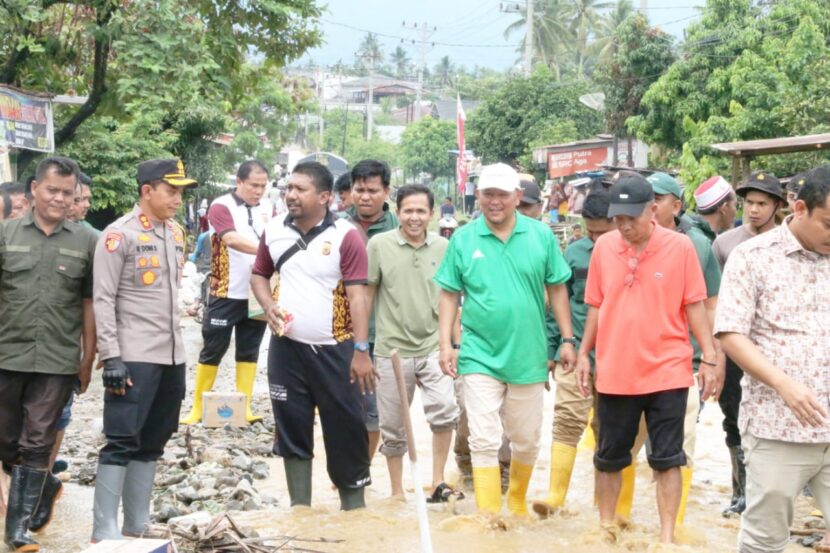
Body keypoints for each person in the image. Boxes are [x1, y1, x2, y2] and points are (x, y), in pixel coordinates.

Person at [574, 172, 721, 544]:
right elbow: (594, 306)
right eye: (617, 218)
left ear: (653, 210)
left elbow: (695, 306)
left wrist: (710, 358)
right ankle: (607, 530)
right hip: (614, 372)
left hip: (668, 371)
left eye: (631, 218)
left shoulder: (681, 247)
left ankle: (667, 539)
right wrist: (583, 356)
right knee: (609, 456)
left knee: (668, 458)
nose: (623, 226)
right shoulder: (605, 248)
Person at [434, 162, 576, 516]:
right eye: (487, 195)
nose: (494, 202)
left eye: (501, 195)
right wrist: (446, 345)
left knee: (526, 441)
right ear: (478, 197)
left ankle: (515, 498)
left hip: (528, 353)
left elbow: (557, 289)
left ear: (517, 197)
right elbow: (449, 294)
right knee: (483, 438)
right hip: (478, 352)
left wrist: (567, 340)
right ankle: (488, 517)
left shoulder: (541, 236)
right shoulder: (464, 239)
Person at [714, 166, 830, 553]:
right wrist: (784, 384)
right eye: (829, 224)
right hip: (779, 427)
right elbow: (730, 332)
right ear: (799, 209)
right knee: (765, 540)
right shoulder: (752, 257)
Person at [251, 161, 373, 510]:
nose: (291, 195)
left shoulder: (346, 236)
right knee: (291, 426)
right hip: (286, 350)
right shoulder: (273, 230)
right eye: (288, 188)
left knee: (347, 429)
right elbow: (260, 274)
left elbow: (358, 296)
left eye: (300, 189)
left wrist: (361, 351)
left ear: (325, 196)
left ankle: (354, 514)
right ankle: (299, 512)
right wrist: (267, 304)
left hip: (337, 352)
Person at [91, 158, 195, 541]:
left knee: (155, 437)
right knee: (122, 438)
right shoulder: (119, 235)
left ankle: (136, 522)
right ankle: (104, 527)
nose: (177, 199)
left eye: (181, 192)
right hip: (133, 353)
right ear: (146, 191)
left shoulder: (176, 233)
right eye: (171, 191)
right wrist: (111, 355)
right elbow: (102, 298)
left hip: (171, 354)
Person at [0, 156, 97, 552]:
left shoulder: (87, 241)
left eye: (67, 193)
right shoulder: (5, 235)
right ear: (33, 191)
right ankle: (45, 485)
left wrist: (88, 357)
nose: (59, 199)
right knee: (6, 441)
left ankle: (16, 531)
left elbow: (91, 302)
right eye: (52, 190)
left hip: (57, 360)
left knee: (38, 442)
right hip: (6, 354)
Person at [367, 184, 462, 501]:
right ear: (398, 212)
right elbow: (367, 295)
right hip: (391, 350)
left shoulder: (443, 247)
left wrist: (456, 345)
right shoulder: (379, 245)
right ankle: (396, 491)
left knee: (445, 411)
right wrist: (359, 347)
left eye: (421, 211)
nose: (414, 217)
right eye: (408, 210)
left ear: (432, 215)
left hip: (435, 347)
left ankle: (437, 481)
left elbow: (453, 299)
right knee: (393, 427)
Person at [531, 190, 616, 518]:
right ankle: (555, 497)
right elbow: (558, 303)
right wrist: (554, 347)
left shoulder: (631, 254)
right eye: (590, 231)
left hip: (619, 359)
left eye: (602, 231)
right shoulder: (575, 254)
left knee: (609, 430)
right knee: (566, 420)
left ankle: (605, 504)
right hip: (576, 352)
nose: (595, 238)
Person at [709, 170, 785, 518]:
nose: (754, 210)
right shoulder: (725, 243)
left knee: (777, 420)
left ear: (778, 207)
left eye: (762, 203)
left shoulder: (790, 242)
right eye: (749, 203)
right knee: (734, 419)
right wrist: (716, 355)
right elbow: (716, 303)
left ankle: (780, 495)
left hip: (776, 348)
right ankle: (741, 493)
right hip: (736, 346)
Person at [181, 160, 271, 425]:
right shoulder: (222, 206)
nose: (258, 191)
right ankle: (197, 406)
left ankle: (244, 407)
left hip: (257, 291)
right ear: (239, 182)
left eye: (263, 186)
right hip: (226, 290)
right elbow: (230, 239)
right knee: (213, 347)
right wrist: (268, 252)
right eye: (254, 185)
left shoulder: (268, 209)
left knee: (250, 348)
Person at [339, 160, 399, 459]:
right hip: (337, 330)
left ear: (386, 192)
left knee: (373, 409)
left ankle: (361, 467)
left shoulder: (400, 230)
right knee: (339, 404)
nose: (364, 196)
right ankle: (343, 467)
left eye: (372, 190)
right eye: (359, 190)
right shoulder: (333, 225)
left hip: (381, 332)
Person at [691, 175, 738, 239]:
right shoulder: (705, 243)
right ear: (724, 208)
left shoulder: (692, 231)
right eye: (735, 205)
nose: (736, 211)